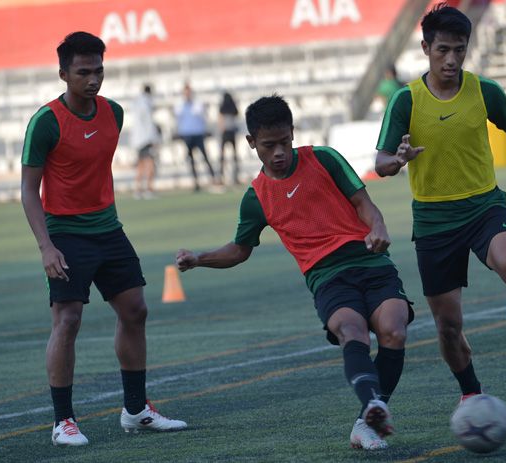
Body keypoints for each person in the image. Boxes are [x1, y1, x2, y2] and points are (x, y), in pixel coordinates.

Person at [176, 94, 414, 450]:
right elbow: (239, 250)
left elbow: (364, 204)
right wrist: (199, 258)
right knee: (353, 331)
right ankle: (372, 408)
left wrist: (378, 225)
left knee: (394, 330)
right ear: (251, 143)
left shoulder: (323, 158)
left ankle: (369, 412)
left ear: (292, 133)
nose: (279, 152)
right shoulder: (256, 196)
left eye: (285, 142)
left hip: (370, 262)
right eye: (268, 145)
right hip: (328, 277)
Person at [374, 4, 506, 411]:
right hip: (434, 220)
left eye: (460, 50)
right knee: (449, 326)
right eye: (443, 50)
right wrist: (397, 160)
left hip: (484, 206)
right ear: (425, 48)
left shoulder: (484, 91)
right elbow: (380, 162)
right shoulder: (405, 101)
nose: (452, 59)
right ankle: (471, 393)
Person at [20, 31, 187, 447]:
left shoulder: (114, 113)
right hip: (65, 233)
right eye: (83, 72)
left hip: (109, 229)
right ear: (63, 73)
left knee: (135, 310)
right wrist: (46, 247)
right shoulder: (45, 122)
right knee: (68, 320)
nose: (93, 80)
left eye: (99, 70)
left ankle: (136, 411)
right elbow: (28, 190)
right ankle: (63, 422)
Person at [174, 83, 218, 191]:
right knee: (191, 160)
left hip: (198, 134)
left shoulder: (198, 104)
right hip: (187, 135)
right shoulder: (179, 105)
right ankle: (196, 182)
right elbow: (178, 120)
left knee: (205, 157)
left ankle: (213, 179)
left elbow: (204, 116)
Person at [129, 84, 161, 199]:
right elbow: (148, 123)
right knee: (150, 164)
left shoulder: (136, 102)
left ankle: (138, 190)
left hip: (137, 139)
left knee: (141, 165)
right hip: (146, 139)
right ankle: (149, 189)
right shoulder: (146, 103)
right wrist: (154, 139)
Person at [218, 91, 241, 185]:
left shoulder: (222, 107)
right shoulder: (232, 107)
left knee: (223, 156)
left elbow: (220, 119)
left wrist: (221, 128)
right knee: (234, 155)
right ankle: (235, 176)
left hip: (225, 132)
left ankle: (221, 176)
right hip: (231, 132)